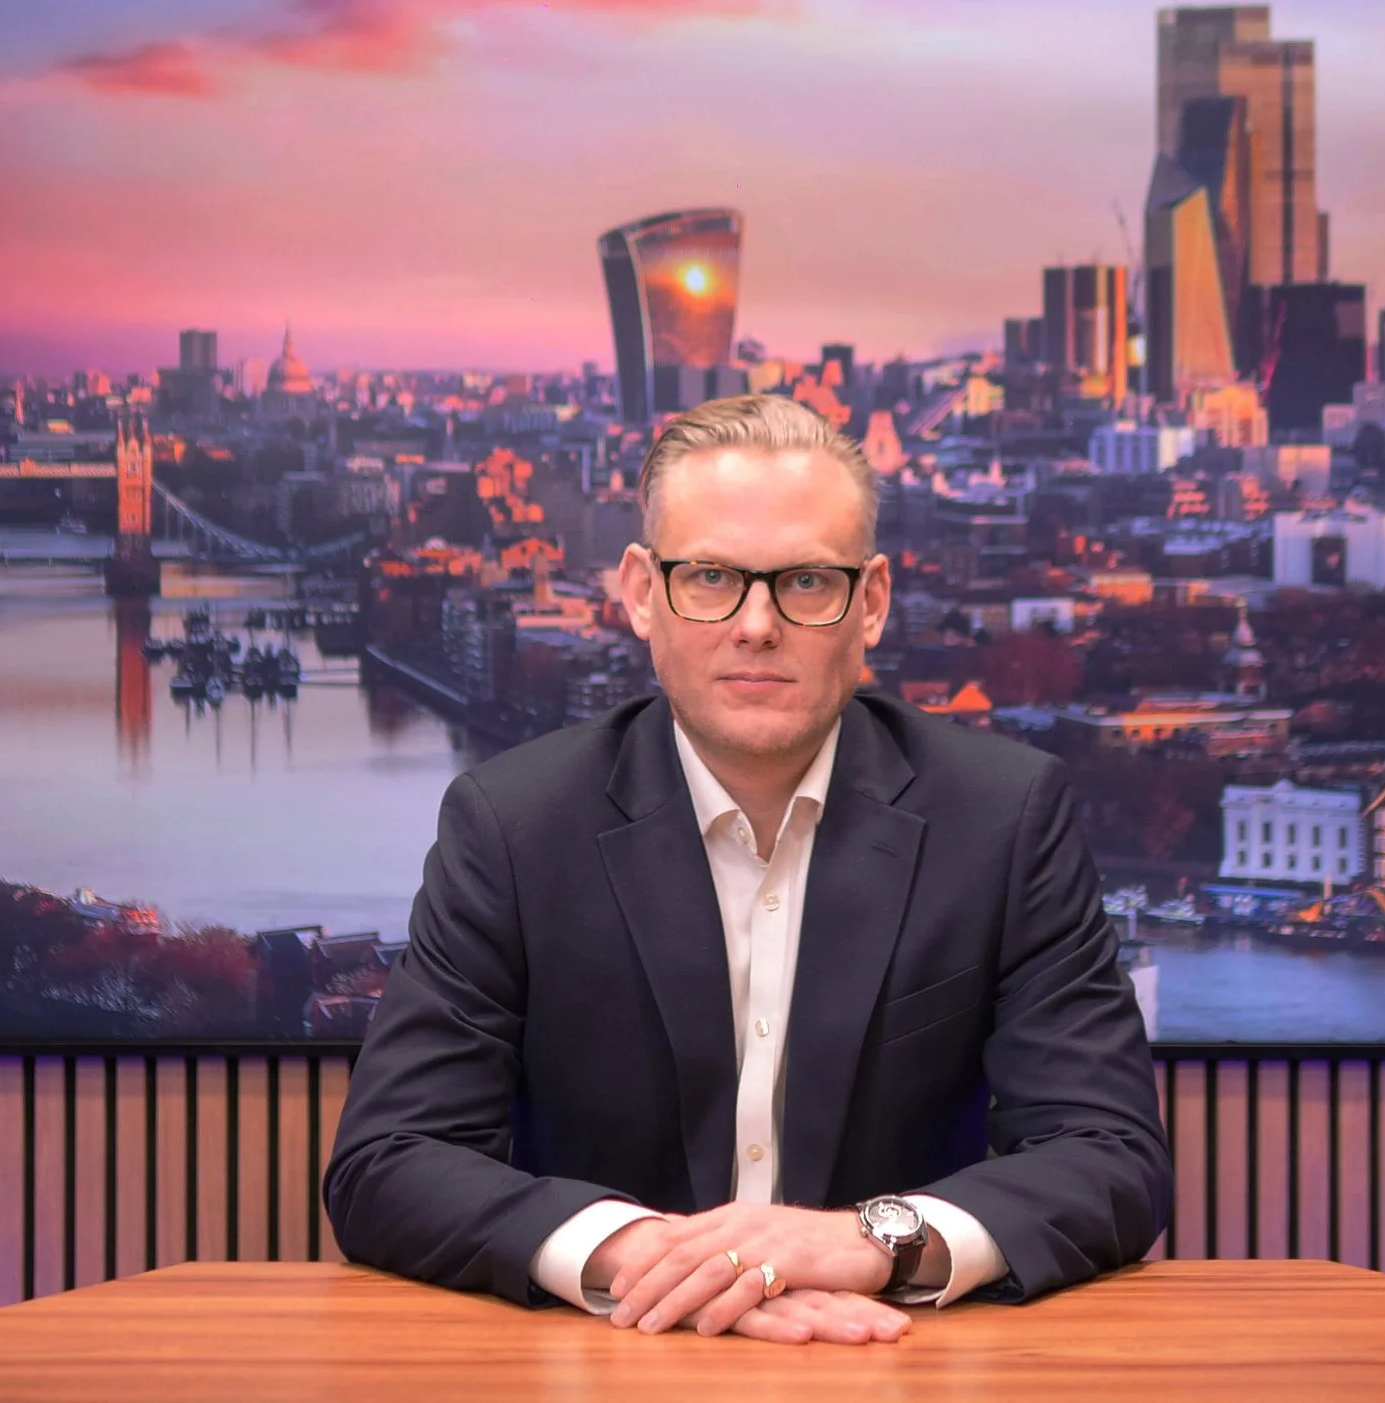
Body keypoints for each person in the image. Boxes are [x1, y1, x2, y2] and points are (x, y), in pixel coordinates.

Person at [322, 394, 1169, 1346]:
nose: (757, 624)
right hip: (609, 1362)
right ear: (641, 592)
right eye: (713, 576)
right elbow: (391, 1160)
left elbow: (1109, 1155)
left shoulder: (1004, 819)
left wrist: (866, 1240)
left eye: (807, 580)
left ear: (873, 600)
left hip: (898, 1361)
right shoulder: (512, 826)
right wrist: (652, 1257)